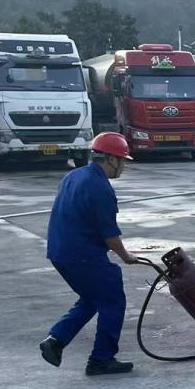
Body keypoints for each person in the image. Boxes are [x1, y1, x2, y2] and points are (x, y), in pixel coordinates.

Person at [38, 132, 143, 375]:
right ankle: (101, 359)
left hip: (59, 252)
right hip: (82, 255)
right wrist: (126, 256)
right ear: (112, 159)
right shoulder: (100, 188)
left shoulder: (74, 175)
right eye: (122, 161)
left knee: (93, 298)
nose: (123, 166)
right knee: (112, 299)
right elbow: (110, 235)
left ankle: (56, 340)